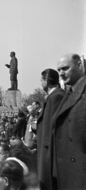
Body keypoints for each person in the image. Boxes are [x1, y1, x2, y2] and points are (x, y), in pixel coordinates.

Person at [51, 53, 86, 190]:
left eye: (65, 68)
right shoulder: (68, 93)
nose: (61, 74)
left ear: (79, 65)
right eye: (59, 70)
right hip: (65, 175)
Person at [37, 68, 65, 190]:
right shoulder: (53, 96)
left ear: (47, 81)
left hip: (49, 153)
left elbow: (54, 127)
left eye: (41, 80)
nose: (40, 82)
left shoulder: (56, 96)